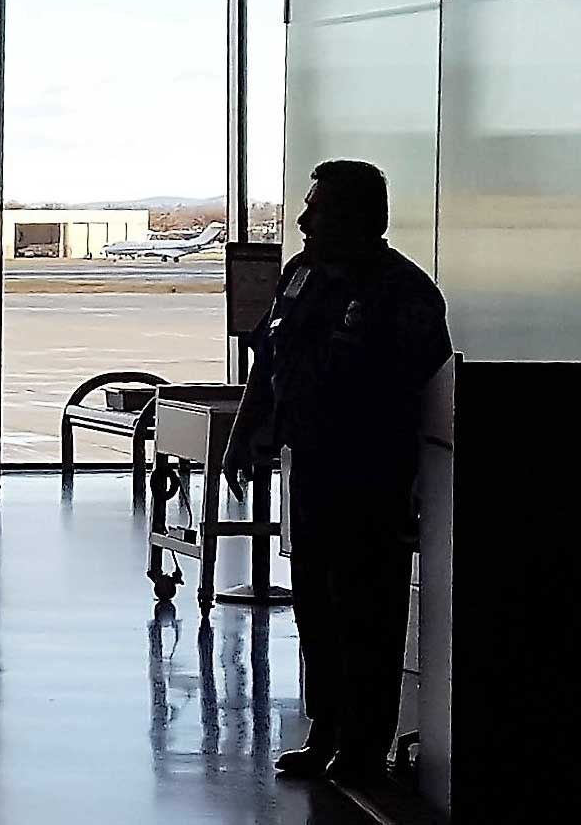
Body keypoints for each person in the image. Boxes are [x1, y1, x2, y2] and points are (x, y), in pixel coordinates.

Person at [224, 160, 451, 783]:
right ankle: (325, 732)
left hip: (371, 477)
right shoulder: (300, 276)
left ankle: (362, 749)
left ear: (359, 217)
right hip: (313, 468)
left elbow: (415, 388)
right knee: (316, 612)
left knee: (367, 615)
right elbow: (269, 361)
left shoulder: (402, 292)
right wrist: (246, 433)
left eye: (317, 209)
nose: (302, 220)